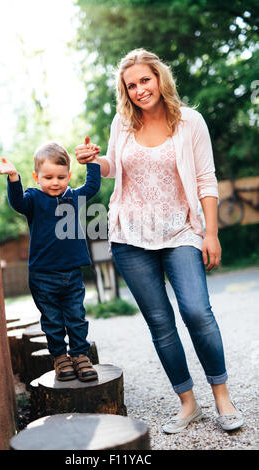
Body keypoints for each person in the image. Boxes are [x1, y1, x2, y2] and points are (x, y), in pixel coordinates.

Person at [75, 49, 243, 432]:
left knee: (197, 313)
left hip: (181, 230)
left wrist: (211, 232)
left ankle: (223, 398)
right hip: (129, 237)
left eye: (144, 80)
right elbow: (113, 167)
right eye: (131, 85)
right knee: (159, 322)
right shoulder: (123, 122)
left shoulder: (190, 122)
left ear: (159, 78)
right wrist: (91, 160)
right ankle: (188, 403)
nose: (138, 90)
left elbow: (206, 179)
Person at [0, 141, 101, 382]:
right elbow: (17, 202)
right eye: (48, 177)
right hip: (43, 276)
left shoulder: (73, 197)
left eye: (61, 177)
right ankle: (61, 358)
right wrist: (12, 177)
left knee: (76, 317)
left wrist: (92, 161)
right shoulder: (33, 198)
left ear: (68, 176)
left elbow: (92, 186)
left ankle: (81, 356)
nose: (55, 182)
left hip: (71, 273)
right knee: (52, 320)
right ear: (36, 176)